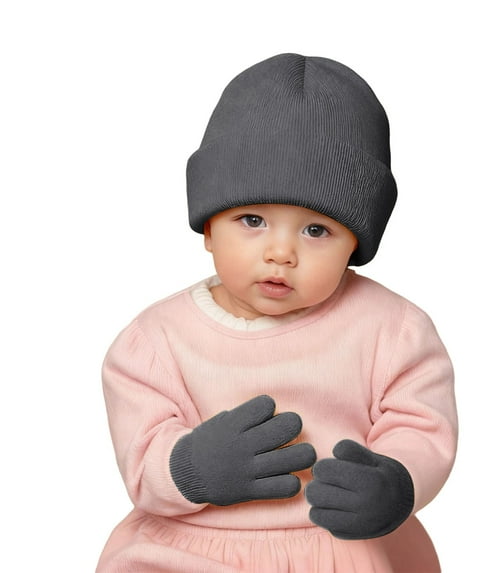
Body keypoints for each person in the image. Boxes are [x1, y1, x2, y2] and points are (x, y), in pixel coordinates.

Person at [96, 53, 458, 573]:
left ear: (354, 245)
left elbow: (421, 427)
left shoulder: (391, 329)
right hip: (191, 544)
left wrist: (395, 482)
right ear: (208, 228)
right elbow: (141, 457)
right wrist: (189, 468)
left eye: (316, 230)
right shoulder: (154, 342)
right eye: (252, 220)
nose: (281, 253)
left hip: (336, 544)